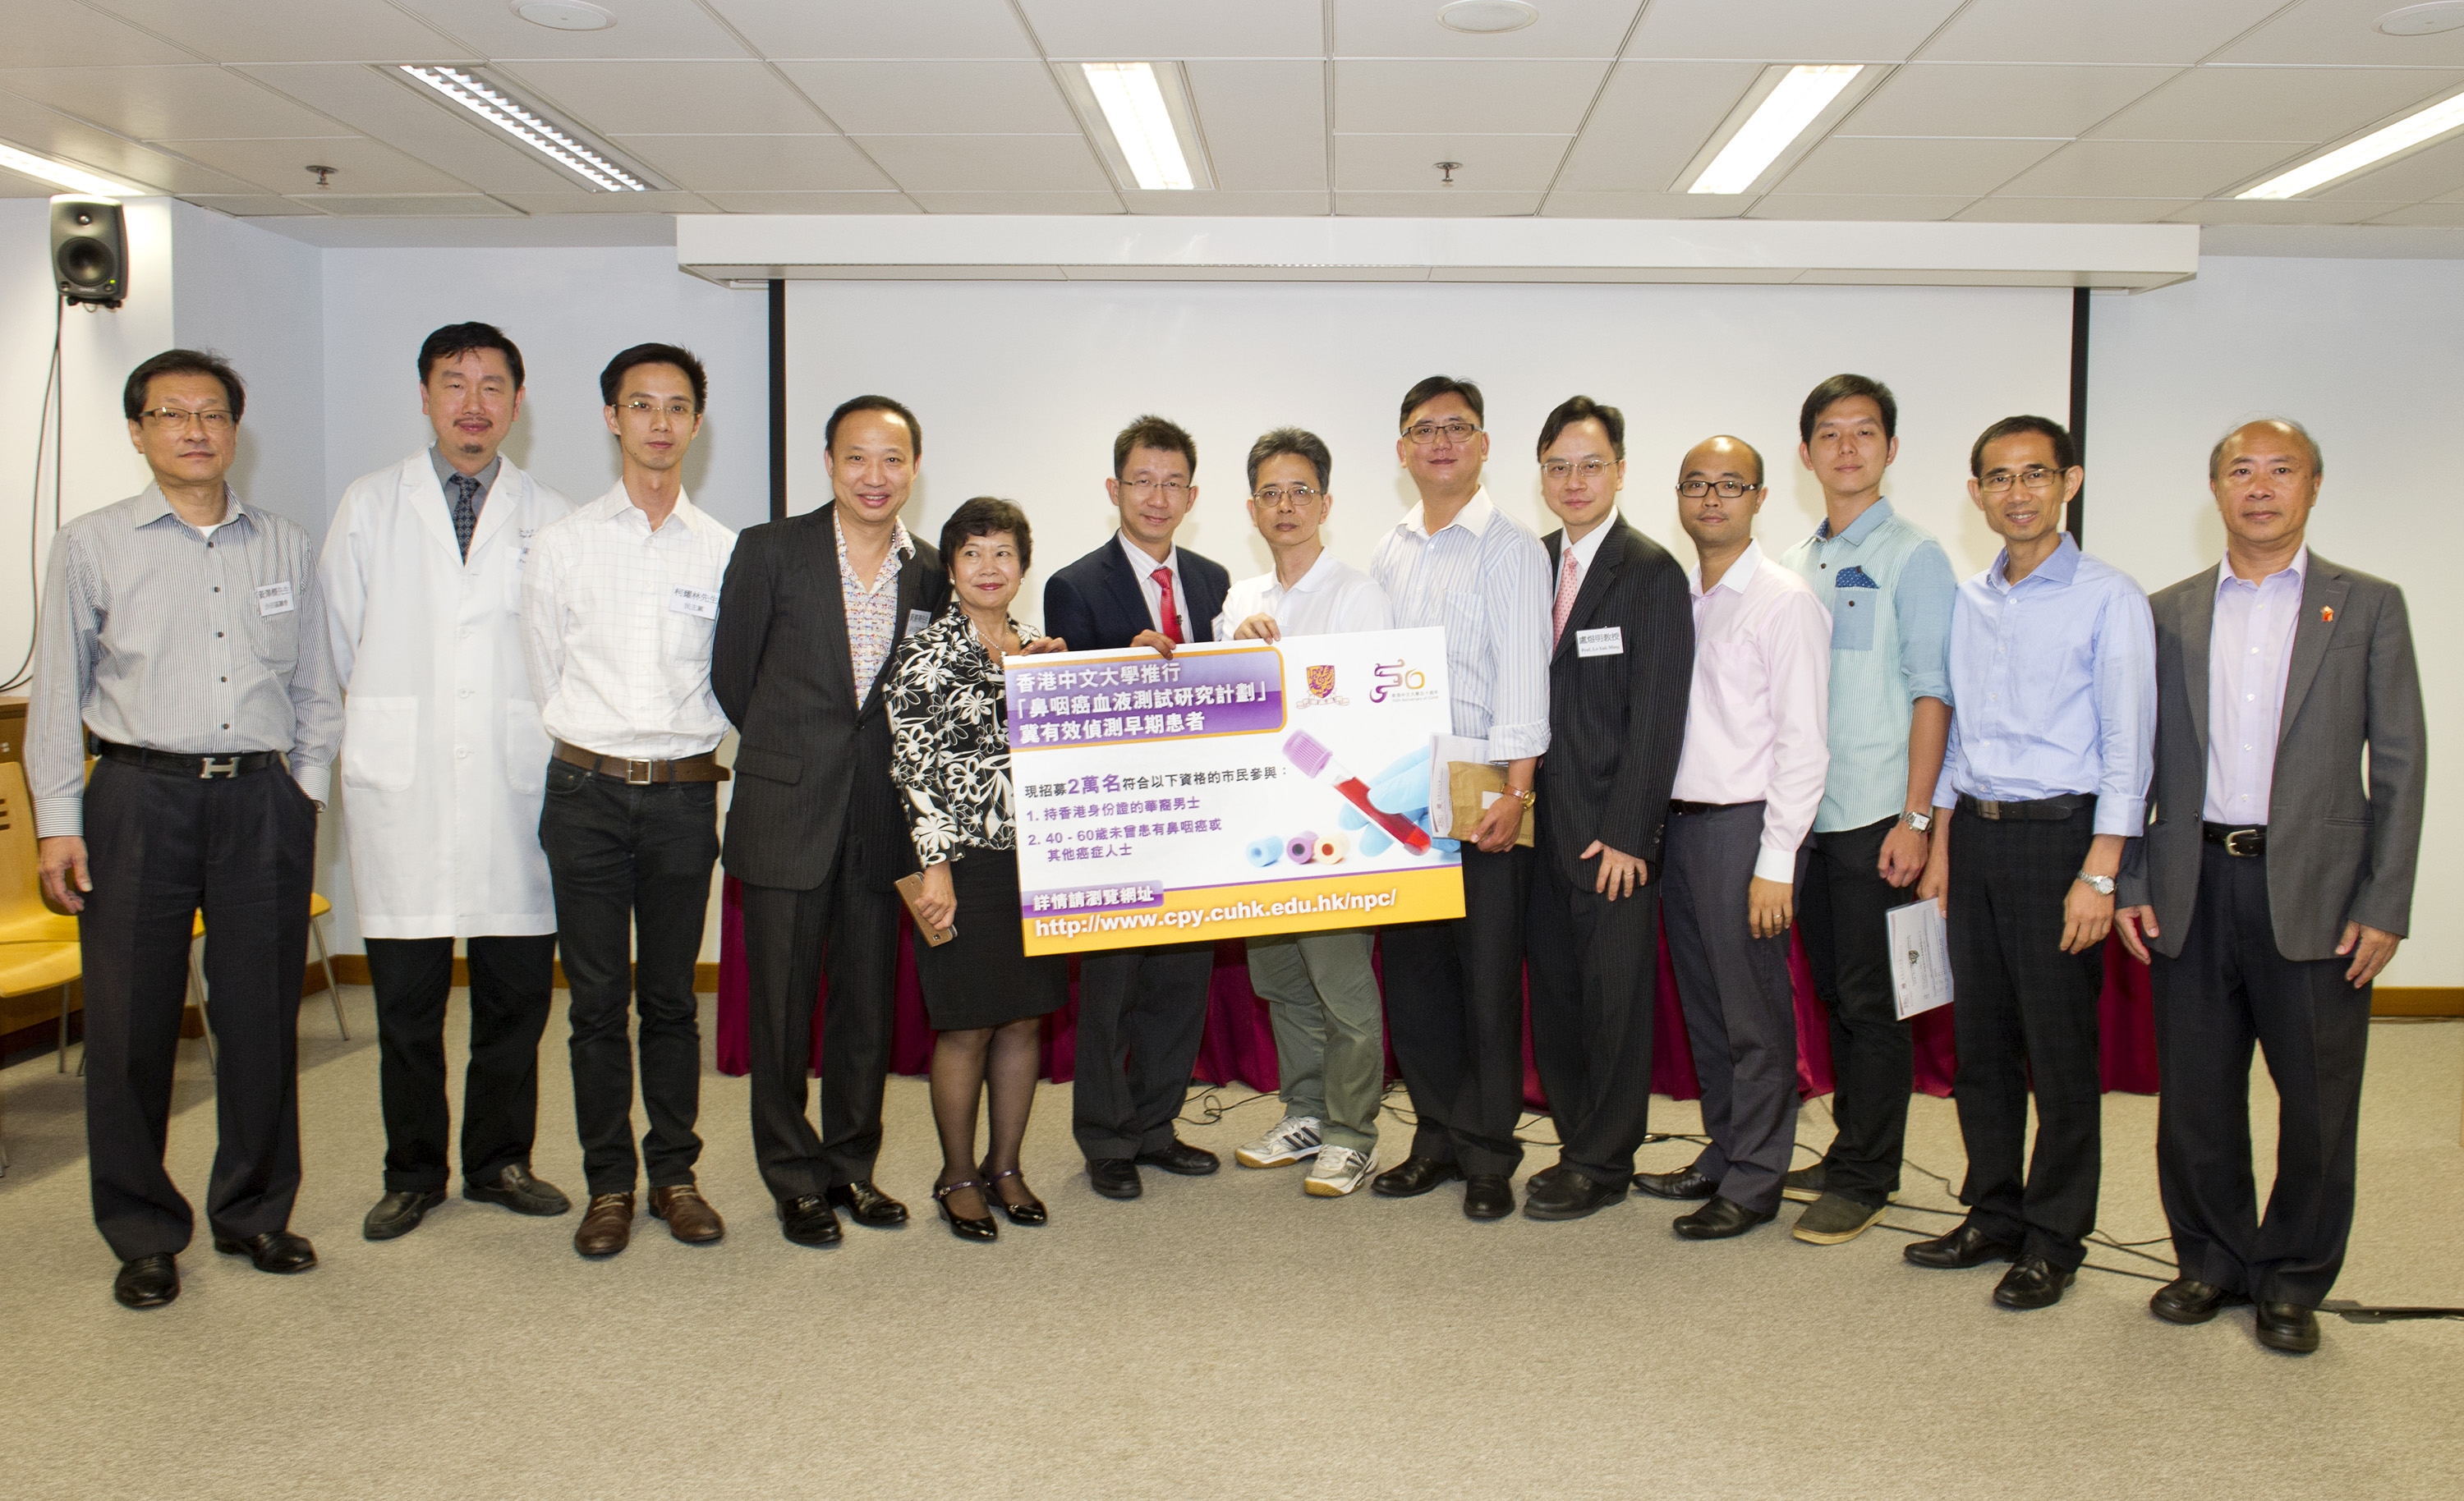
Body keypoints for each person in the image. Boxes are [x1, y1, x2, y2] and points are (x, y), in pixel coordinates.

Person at [29, 349, 343, 1309]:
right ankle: (143, 1229)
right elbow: (56, 694)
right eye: (171, 414)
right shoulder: (91, 546)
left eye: (212, 414)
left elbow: (316, 687)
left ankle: (254, 1212)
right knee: (132, 1023)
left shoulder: (286, 546)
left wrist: (305, 789)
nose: (195, 430)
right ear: (138, 431)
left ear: (235, 431)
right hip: (137, 797)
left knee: (257, 1017)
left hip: (260, 801)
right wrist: (57, 821)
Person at [2116, 419, 2423, 1355]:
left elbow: (2402, 764)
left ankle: (2292, 1278)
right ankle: (2209, 1261)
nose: (2260, 487)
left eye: (2280, 470)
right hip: (2192, 880)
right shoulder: (2165, 611)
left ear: (2314, 487)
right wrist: (2128, 871)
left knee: (2320, 1104)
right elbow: (2133, 760)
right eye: (2240, 471)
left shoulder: (2366, 605)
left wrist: (2385, 901)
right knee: (2198, 1097)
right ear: (2214, 491)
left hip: (2322, 896)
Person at [320, 322, 575, 1243]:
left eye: (493, 386)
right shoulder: (369, 506)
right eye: (454, 384)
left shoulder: (551, 516)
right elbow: (336, 648)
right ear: (424, 396)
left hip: (516, 791)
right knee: (409, 1005)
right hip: (406, 784)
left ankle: (502, 1160)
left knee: (515, 999)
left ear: (517, 402)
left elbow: (562, 659)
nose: (474, 404)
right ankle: (413, 1171)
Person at [1907, 416, 2154, 1311]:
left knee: (2059, 1051)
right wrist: (1938, 844)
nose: (2017, 493)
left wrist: (2100, 870)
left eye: (2035, 475)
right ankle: (1993, 1210)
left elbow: (2131, 745)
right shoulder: (1971, 600)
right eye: (1998, 478)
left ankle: (2056, 1236)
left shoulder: (2109, 597)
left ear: (2069, 482)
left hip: (2063, 842)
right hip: (1974, 834)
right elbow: (1962, 735)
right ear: (1976, 493)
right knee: (1982, 1047)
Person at [713, 396, 946, 1248]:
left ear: (914, 468)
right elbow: (734, 679)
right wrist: (799, 758)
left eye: (892, 460)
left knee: (865, 1008)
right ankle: (792, 1176)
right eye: (857, 458)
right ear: (828, 463)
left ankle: (852, 1166)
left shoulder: (929, 573)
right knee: (779, 1009)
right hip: (788, 810)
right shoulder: (770, 551)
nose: (875, 477)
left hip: (880, 821)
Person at [522, 343, 735, 1259]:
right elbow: (543, 671)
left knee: (674, 1001)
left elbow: (733, 681)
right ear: (612, 418)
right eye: (640, 404)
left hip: (685, 797)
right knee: (596, 1003)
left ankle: (675, 1176)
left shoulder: (726, 550)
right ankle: (608, 1184)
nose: (659, 421)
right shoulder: (563, 544)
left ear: (696, 423)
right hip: (586, 792)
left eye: (677, 405)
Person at [1634, 435, 1830, 1240]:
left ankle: (1756, 1179)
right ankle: (1726, 1148)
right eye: (1696, 485)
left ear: (1758, 498)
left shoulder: (1785, 601)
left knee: (1753, 1013)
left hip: (1746, 828)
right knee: (1708, 1008)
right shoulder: (1676, 596)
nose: (1711, 499)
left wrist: (1776, 861)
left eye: (1730, 485)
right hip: (1680, 828)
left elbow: (1805, 742)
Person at [1777, 374, 1956, 1246]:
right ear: (1805, 452)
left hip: (1877, 816)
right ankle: (1853, 1145)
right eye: (1830, 434)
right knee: (1840, 1000)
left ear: (1890, 449)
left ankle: (1868, 1176)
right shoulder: (1800, 556)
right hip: (1811, 816)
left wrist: (1917, 818)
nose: (1848, 448)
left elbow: (1934, 692)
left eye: (1866, 432)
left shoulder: (1914, 556)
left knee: (1875, 1001)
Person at [1367, 375, 1551, 1221]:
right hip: (1401, 803)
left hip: (1484, 795)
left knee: (1484, 982)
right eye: (1423, 429)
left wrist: (1518, 790)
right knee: (1416, 983)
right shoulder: (1387, 551)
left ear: (1483, 445)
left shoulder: (1512, 548)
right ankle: (1434, 1135)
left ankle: (1488, 1151)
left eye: (1458, 427)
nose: (1440, 441)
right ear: (1402, 451)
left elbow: (1525, 677)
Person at [1043, 415, 1231, 1200]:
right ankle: (1106, 1138)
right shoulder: (1074, 586)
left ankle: (1156, 1126)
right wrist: (1121, 672)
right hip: (1117, 823)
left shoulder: (1219, 583)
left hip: (1203, 820)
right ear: (1114, 489)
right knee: (1113, 989)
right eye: (1142, 481)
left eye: (1173, 482)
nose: (1158, 497)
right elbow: (1066, 715)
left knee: (1180, 987)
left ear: (1193, 494)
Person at [1520, 397, 1693, 1221]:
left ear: (1621, 471)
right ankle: (1573, 1140)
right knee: (1555, 995)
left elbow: (1660, 714)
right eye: (1559, 466)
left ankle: (1604, 1159)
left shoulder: (1650, 570)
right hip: (1533, 829)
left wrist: (1631, 834)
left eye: (1591, 465)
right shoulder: (1532, 561)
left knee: (1613, 1001)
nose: (1575, 480)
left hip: (1610, 835)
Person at [1212, 428, 1395, 1198]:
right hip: (1262, 827)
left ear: (1326, 502)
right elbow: (1216, 713)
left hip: (1335, 832)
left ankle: (1355, 1133)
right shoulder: (1239, 599)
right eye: (1271, 494)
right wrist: (1234, 649)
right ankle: (1307, 1112)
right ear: (1251, 509)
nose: (1286, 507)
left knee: (1343, 990)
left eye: (1301, 492)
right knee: (1282, 981)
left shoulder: (1358, 594)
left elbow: (1373, 712)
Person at [888, 498, 1071, 1241]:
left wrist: (1069, 684)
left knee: (1025, 1019)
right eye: (972, 553)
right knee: (965, 1025)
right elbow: (913, 767)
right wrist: (935, 868)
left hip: (1041, 863)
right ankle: (956, 1173)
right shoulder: (926, 653)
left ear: (1022, 566)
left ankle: (1006, 1166)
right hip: (961, 867)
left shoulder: (1044, 648)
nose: (988, 567)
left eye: (1003, 553)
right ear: (952, 568)